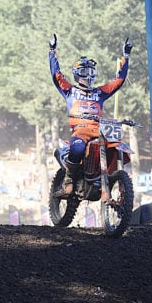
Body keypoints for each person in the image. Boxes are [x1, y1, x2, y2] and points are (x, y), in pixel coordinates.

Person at [49, 34, 132, 196]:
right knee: (78, 147)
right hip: (80, 131)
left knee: (115, 147)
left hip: (99, 130)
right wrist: (52, 52)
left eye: (91, 71)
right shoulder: (70, 91)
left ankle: (114, 181)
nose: (88, 75)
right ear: (77, 74)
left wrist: (126, 56)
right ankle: (68, 178)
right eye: (84, 71)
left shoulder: (100, 92)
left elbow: (118, 81)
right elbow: (56, 76)